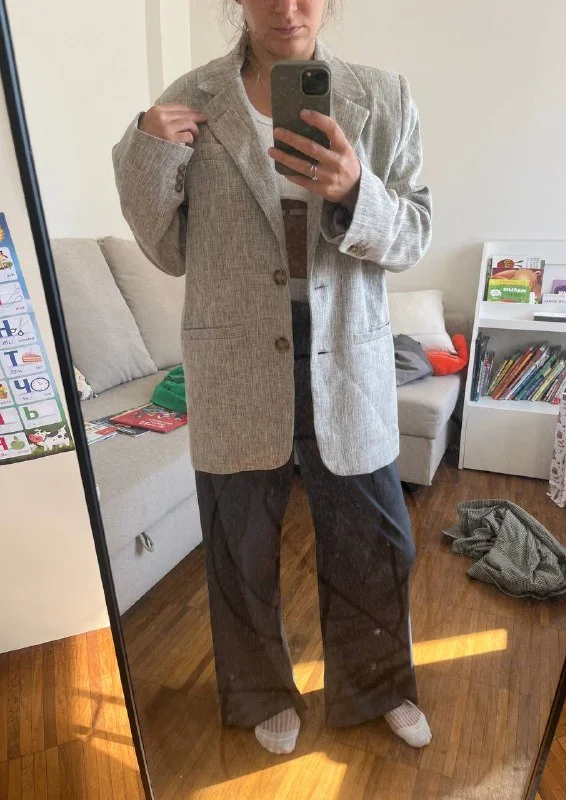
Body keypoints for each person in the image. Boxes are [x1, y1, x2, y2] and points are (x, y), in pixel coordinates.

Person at [113, 0, 433, 756]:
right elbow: (166, 251)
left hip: (345, 350)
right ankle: (259, 691)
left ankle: (379, 684)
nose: (286, 8)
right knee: (240, 537)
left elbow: (414, 232)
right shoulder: (193, 98)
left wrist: (356, 190)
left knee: (374, 533)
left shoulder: (383, 96)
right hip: (234, 354)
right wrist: (147, 155)